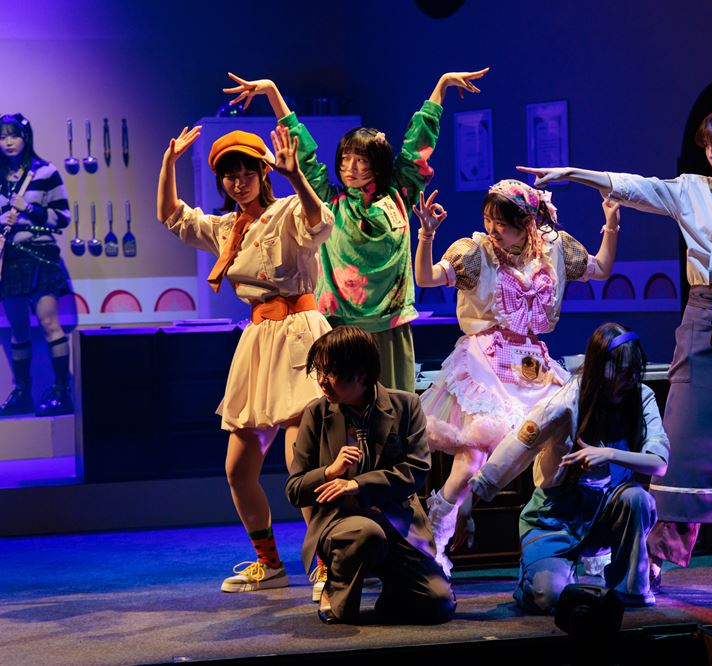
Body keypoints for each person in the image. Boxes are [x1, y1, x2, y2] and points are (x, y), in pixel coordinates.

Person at [517, 104, 712, 586]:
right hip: (707, 328)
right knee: (685, 449)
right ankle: (654, 562)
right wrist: (573, 174)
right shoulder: (692, 191)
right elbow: (634, 186)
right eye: (707, 146)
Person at [223, 69, 488, 392]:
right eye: (345, 159)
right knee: (342, 403)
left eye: (360, 160)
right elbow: (302, 154)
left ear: (377, 161)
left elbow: (418, 144)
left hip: (391, 322)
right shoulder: (329, 201)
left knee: (394, 406)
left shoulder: (399, 194)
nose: (350, 167)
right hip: (340, 324)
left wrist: (441, 85)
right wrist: (272, 93)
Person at [157, 123, 333, 593]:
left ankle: (325, 566)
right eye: (229, 174)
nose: (238, 181)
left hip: (299, 338)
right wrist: (169, 163)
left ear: (263, 173)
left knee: (301, 461)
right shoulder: (225, 229)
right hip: (257, 344)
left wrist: (296, 176)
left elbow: (320, 224)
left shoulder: (287, 210)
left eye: (247, 172)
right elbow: (172, 216)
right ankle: (269, 563)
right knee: (237, 469)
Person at [413, 180, 620, 575]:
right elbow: (426, 278)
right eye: (488, 220)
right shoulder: (475, 252)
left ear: (526, 223)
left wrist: (611, 224)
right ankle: (434, 544)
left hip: (531, 362)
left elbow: (601, 268)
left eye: (502, 223)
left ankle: (568, 541)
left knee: (562, 449)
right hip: (487, 359)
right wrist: (426, 235)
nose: (493, 230)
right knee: (472, 458)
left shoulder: (554, 248)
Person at [469, 322, 668, 612]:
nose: (631, 380)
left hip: (605, 509)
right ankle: (538, 578)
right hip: (557, 517)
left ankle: (629, 589)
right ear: (600, 368)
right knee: (551, 599)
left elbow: (659, 464)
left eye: (635, 371)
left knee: (637, 499)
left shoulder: (642, 397)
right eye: (623, 371)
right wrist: (469, 501)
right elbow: (516, 449)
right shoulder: (563, 403)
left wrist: (608, 454)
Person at [286, 326, 455, 625]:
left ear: (361, 374)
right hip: (342, 522)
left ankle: (394, 592)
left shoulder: (405, 406)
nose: (323, 381)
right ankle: (335, 586)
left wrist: (357, 484)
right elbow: (295, 489)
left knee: (437, 603)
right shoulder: (316, 413)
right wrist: (329, 472)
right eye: (319, 371)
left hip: (398, 520)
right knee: (366, 533)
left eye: (332, 372)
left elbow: (416, 470)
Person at [0, 114, 73, 417]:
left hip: (40, 254)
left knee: (49, 323)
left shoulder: (45, 172)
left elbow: (63, 217)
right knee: (18, 329)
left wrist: (29, 208)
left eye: (14, 135)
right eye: (2, 137)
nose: (8, 142)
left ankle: (62, 391)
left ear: (26, 137)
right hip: (9, 258)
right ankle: (22, 393)